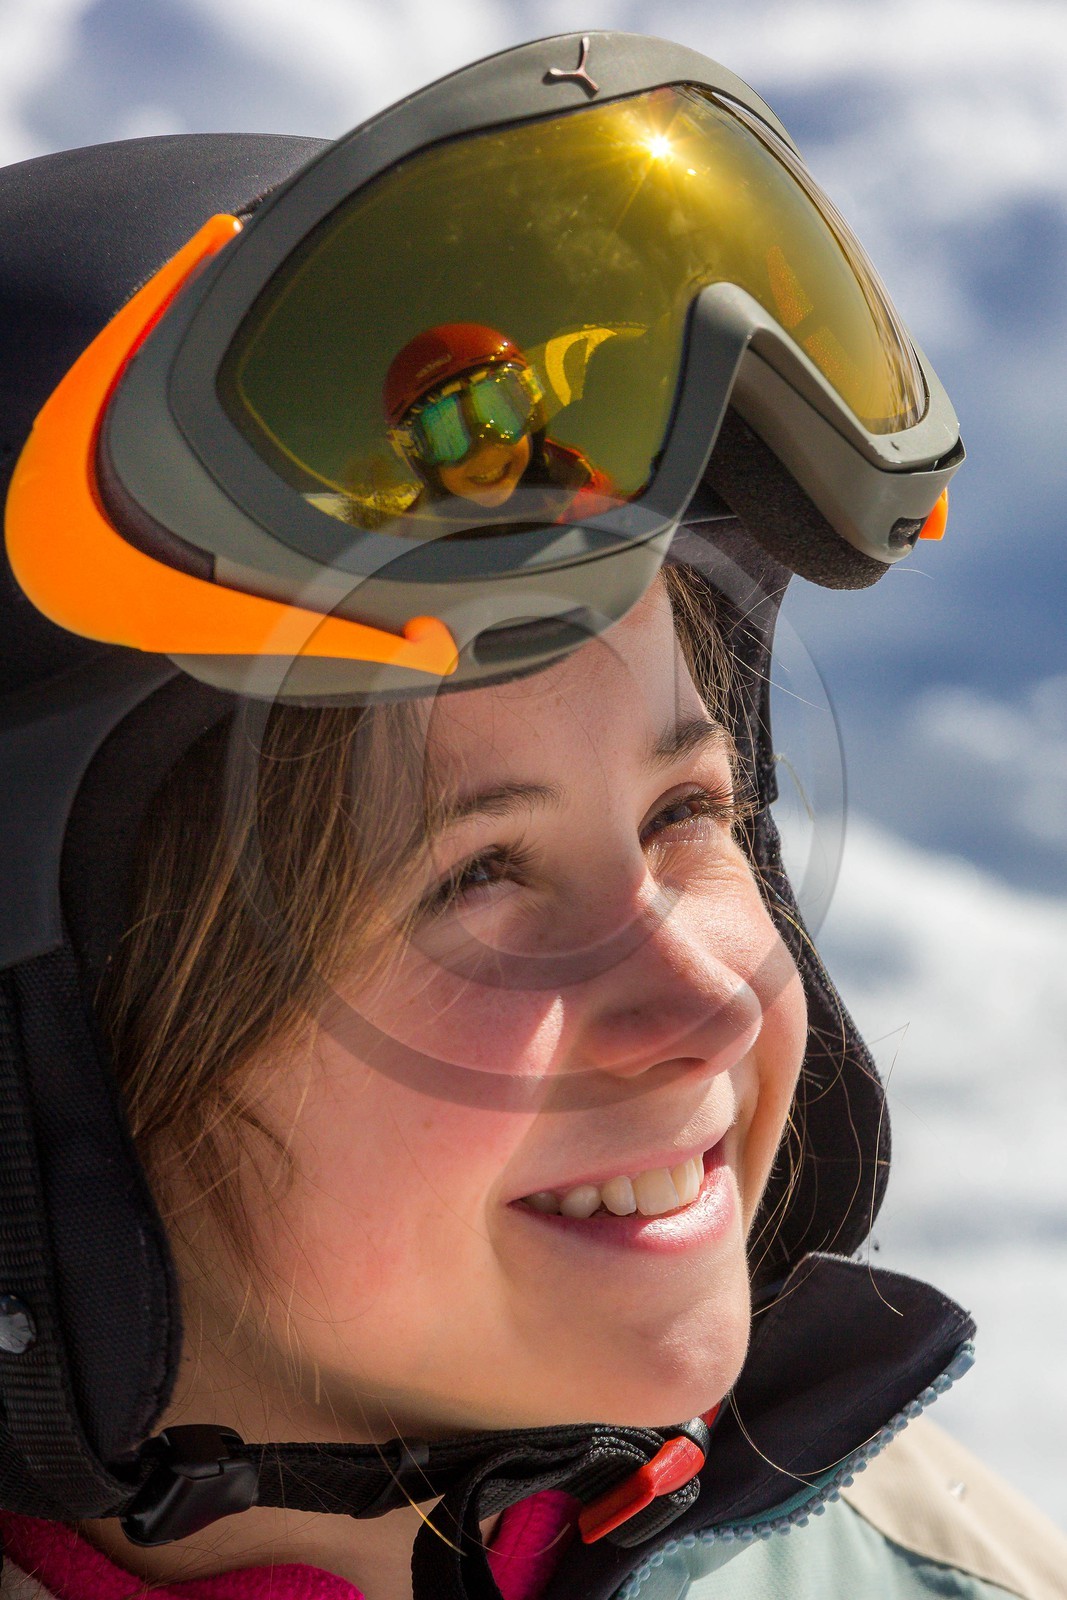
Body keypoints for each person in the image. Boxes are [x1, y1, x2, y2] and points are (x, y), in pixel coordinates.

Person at [0, 30, 1064, 1600]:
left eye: (684, 813)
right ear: (56, 1074)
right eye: (476, 873)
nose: (704, 1004)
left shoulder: (929, 1566)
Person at [382, 322, 617, 521]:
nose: (485, 448)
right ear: (421, 461)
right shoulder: (413, 559)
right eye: (447, 435)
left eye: (500, 412)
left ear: (531, 414)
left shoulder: (595, 506)